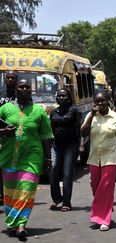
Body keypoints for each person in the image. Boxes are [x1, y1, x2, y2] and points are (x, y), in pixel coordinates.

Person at [0, 79, 53, 238]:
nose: (24, 89)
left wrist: (49, 159)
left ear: (31, 90)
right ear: (15, 90)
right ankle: (12, 223)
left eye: (27, 87)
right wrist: (3, 131)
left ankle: (21, 224)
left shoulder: (39, 111)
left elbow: (46, 136)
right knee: (10, 193)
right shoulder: (5, 108)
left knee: (25, 190)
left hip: (32, 157)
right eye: (21, 87)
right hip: (9, 157)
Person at [80, 90, 116, 231]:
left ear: (108, 101)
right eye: (97, 101)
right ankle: (106, 207)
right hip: (94, 158)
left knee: (106, 187)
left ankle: (104, 219)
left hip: (112, 158)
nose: (100, 103)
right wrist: (91, 116)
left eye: (103, 101)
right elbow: (83, 133)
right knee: (96, 187)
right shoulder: (90, 115)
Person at [49, 88, 82, 211]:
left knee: (67, 173)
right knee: (53, 170)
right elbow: (50, 129)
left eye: (63, 96)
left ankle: (66, 202)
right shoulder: (54, 112)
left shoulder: (74, 111)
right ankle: (57, 198)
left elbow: (81, 128)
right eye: (59, 96)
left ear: (69, 98)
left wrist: (82, 145)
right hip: (56, 145)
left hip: (71, 145)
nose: (61, 98)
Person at [0, 72, 18, 206]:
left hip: (16, 136)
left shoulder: (21, 95)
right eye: (8, 78)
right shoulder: (1, 95)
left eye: (13, 78)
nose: (10, 80)